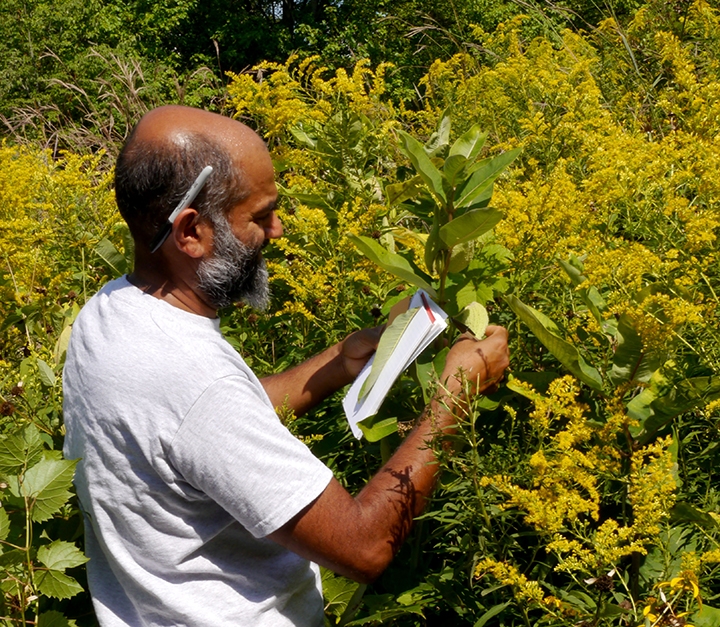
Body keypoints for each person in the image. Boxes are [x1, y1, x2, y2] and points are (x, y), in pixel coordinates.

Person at [62, 105, 510, 627]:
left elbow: (201, 430)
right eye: (258, 215)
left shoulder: (108, 313)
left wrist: (339, 362)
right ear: (191, 232)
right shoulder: (194, 378)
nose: (277, 229)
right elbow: (364, 549)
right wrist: (456, 393)